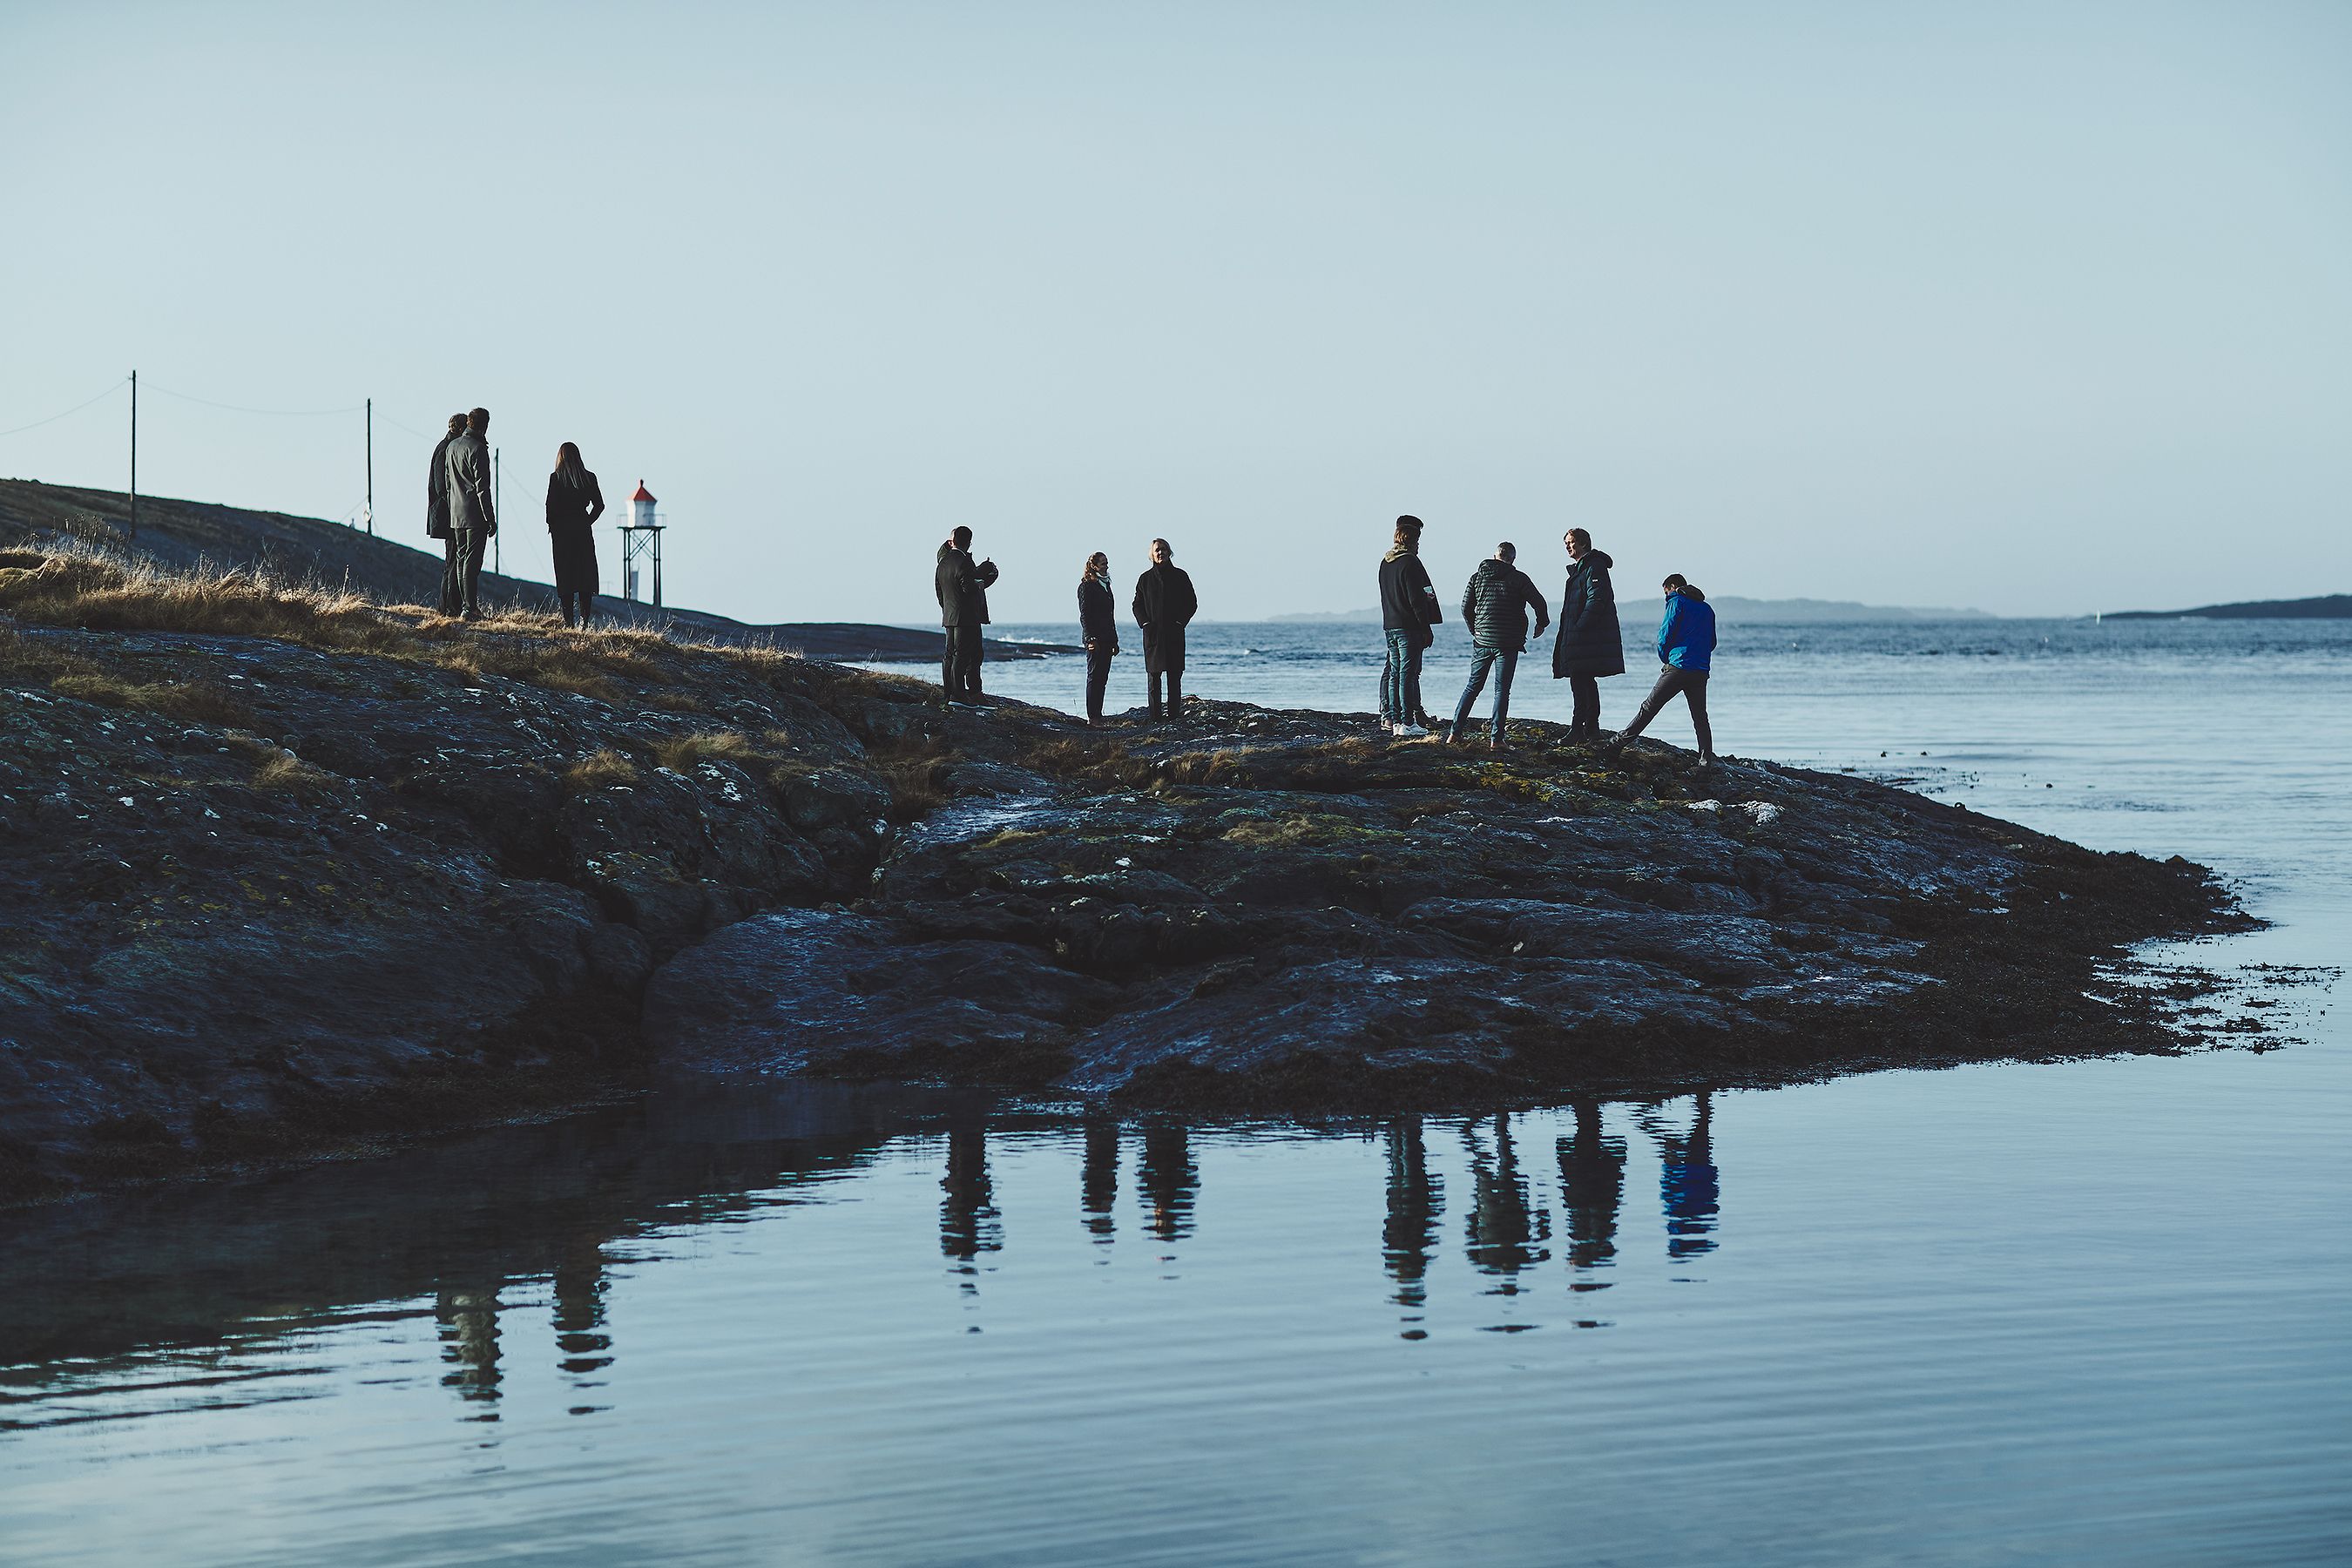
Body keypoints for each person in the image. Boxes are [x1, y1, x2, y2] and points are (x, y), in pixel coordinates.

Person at [1604, 574, 1717, 764]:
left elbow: (1665, 634)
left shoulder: (1676, 601)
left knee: (1649, 707)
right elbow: (1712, 642)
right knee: (1700, 717)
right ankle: (1705, 761)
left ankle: (1616, 745)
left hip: (1678, 666)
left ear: (1672, 586)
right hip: (1700, 669)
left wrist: (1666, 658)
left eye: (1666, 591)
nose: (1666, 596)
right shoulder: (1707, 608)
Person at [1449, 542, 1548, 751]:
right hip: (1508, 643)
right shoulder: (1519, 578)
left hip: (1482, 640)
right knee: (1502, 690)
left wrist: (1475, 629)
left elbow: (1465, 608)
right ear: (1512, 559)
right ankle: (1496, 739)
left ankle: (1454, 734)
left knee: (1473, 686)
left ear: (1495, 556)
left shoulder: (1477, 577)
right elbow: (1539, 602)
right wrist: (1541, 623)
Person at [1552, 527, 1623, 743]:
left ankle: (1579, 729)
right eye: (1566, 543)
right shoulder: (1581, 569)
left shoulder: (1593, 566)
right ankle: (1590, 728)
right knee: (1584, 681)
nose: (1568, 546)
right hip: (1580, 636)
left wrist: (1580, 626)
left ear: (1583, 543)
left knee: (1581, 681)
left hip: (1585, 637)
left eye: (1571, 542)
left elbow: (1597, 599)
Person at [1377, 514, 1442, 736]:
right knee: (1407, 673)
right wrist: (1426, 627)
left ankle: (1394, 719)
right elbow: (1416, 599)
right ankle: (1407, 721)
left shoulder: (1385, 563)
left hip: (1390, 625)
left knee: (1395, 672)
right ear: (1412, 541)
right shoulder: (1410, 562)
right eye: (1417, 541)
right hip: (1409, 626)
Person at [1132, 537, 1198, 722]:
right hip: (1153, 635)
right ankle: (1155, 719)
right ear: (1151, 555)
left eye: (1163, 549)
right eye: (1156, 550)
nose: (1160, 553)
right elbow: (1137, 605)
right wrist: (1145, 624)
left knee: (1175, 678)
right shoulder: (1144, 579)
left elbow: (1191, 603)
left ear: (1169, 552)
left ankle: (1174, 717)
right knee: (1154, 679)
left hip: (1174, 633)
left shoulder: (1181, 576)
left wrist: (1180, 623)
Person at [934, 525, 999, 705]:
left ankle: (949, 694)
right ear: (969, 543)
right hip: (967, 617)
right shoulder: (964, 562)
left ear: (952, 541)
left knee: (950, 655)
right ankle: (962, 694)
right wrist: (983, 577)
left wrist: (946, 609)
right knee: (968, 655)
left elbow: (939, 591)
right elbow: (968, 587)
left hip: (949, 615)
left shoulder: (943, 563)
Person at [544, 442, 606, 628]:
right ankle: (584, 622)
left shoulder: (556, 478)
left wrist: (553, 525)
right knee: (585, 576)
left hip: (562, 533)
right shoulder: (589, 477)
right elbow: (599, 505)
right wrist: (587, 521)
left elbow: (550, 507)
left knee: (566, 577)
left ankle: (569, 623)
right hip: (582, 531)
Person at [443, 408, 496, 619]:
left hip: (456, 513)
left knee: (461, 557)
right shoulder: (478, 449)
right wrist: (490, 517)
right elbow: (483, 488)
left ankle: (464, 606)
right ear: (485, 426)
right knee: (472, 562)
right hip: (475, 514)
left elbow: (448, 483)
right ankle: (470, 607)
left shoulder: (452, 447)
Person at [426, 413, 464, 615]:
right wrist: (457, 505)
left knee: (452, 560)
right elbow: (442, 487)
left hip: (446, 514)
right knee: (452, 561)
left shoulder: (445, 446)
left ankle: (447, 606)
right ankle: (448, 607)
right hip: (447, 515)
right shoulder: (445, 449)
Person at [1078, 551, 1119, 726]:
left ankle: (1099, 714)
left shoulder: (1106, 586)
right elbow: (1085, 615)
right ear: (1094, 566)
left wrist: (1115, 640)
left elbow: (1110, 615)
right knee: (1094, 677)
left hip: (1107, 638)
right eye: (1103, 563)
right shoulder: (1087, 586)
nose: (1106, 566)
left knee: (1103, 678)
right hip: (1095, 640)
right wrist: (1090, 638)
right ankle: (1092, 716)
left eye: (1107, 563)